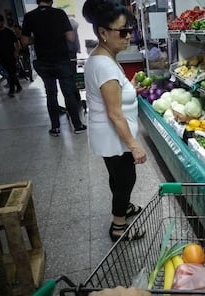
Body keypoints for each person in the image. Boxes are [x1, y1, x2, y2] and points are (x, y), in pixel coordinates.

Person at [82, 0, 147, 242]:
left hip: (109, 135)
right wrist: (134, 144)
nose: (128, 36)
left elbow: (113, 95)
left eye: (129, 30)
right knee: (125, 180)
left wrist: (130, 89)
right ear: (103, 32)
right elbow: (115, 114)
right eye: (122, 31)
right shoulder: (104, 64)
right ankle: (118, 227)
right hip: (114, 136)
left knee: (117, 177)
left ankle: (125, 207)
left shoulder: (103, 56)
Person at [21, 0, 86, 137]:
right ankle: (77, 125)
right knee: (68, 93)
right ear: (51, 1)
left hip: (44, 62)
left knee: (51, 94)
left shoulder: (29, 16)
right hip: (62, 60)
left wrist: (38, 39)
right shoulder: (59, 14)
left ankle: (55, 128)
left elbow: (25, 41)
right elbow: (70, 37)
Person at [0, 14, 22, 97]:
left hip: (11, 56)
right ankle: (18, 86)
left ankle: (12, 90)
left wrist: (16, 52)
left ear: (2, 22)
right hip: (1, 57)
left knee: (11, 73)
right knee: (11, 73)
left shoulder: (9, 32)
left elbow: (16, 43)